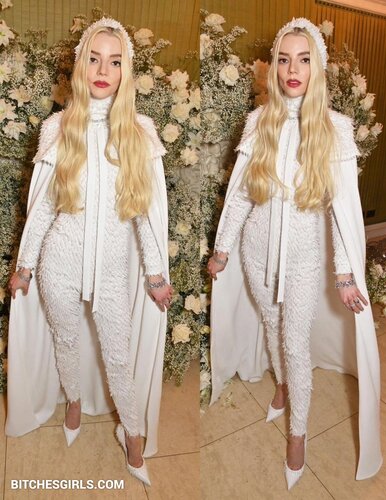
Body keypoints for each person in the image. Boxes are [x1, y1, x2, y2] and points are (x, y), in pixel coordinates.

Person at [208, 18, 382, 489]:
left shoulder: (336, 129)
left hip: (305, 260)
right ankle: (282, 387)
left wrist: (344, 275)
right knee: (271, 325)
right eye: (284, 59)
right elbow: (241, 196)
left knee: (294, 342)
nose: (292, 69)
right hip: (255, 254)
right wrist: (223, 249)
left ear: (317, 67)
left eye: (304, 60)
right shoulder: (258, 121)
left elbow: (340, 212)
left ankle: (298, 432)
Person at [6, 17, 172, 486]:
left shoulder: (139, 131)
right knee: (66, 340)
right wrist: (25, 267)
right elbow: (42, 209)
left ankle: (132, 435)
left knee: (118, 356)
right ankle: (74, 401)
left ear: (125, 70)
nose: (103, 70)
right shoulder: (58, 128)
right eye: (94, 59)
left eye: (114, 61)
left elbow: (144, 215)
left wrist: (155, 275)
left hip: (113, 269)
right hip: (58, 263)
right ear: (81, 66)